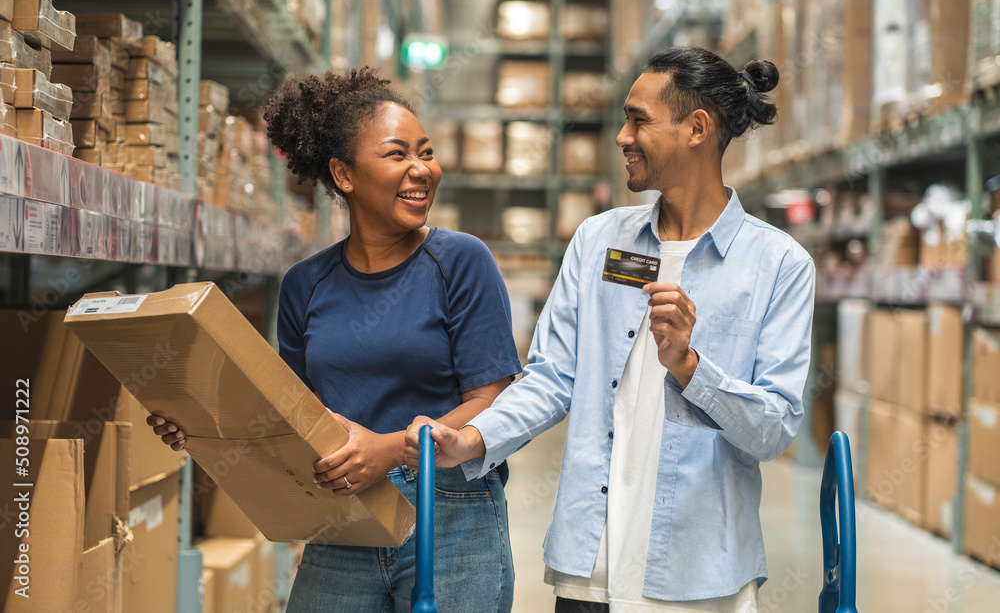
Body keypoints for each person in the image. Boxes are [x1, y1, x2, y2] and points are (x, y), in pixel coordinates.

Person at [405, 46, 815, 613]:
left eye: (638, 119)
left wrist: (689, 367)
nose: (622, 136)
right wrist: (472, 440)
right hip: (589, 569)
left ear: (697, 128)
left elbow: (774, 429)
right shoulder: (600, 242)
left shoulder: (778, 264)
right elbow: (551, 378)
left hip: (698, 576)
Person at [148, 67, 522, 612]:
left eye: (427, 152)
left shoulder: (461, 261)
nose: (422, 170)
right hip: (346, 517)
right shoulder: (306, 284)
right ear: (344, 175)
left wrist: (390, 448)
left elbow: (492, 402)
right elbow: (291, 417)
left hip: (452, 512)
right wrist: (203, 425)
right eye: (398, 155)